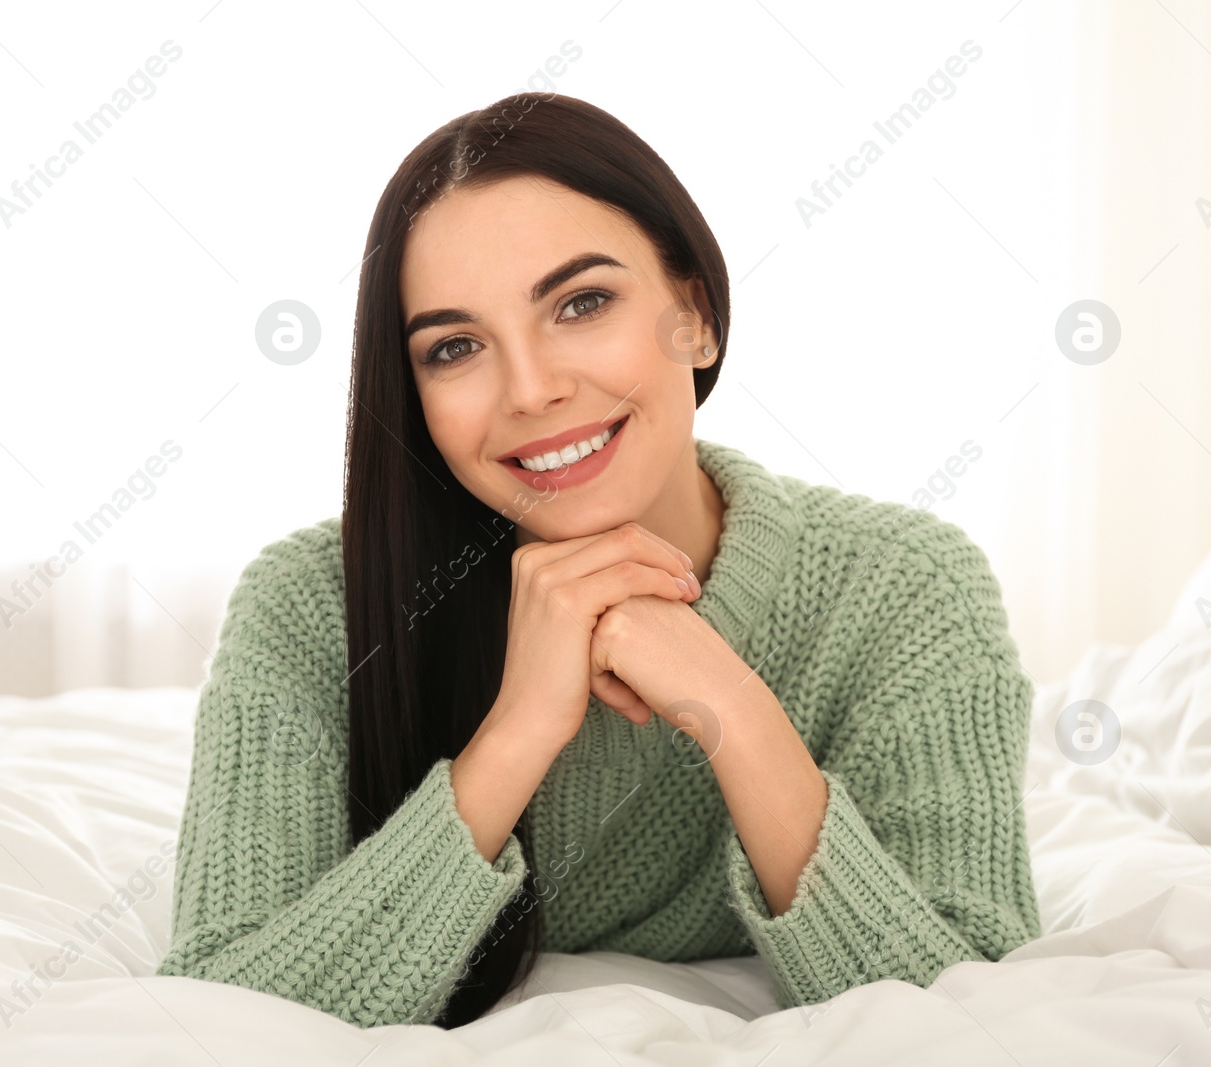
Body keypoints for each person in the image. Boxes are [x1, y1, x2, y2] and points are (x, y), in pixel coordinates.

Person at [158, 92, 1041, 1029]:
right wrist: (518, 730)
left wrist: (732, 707)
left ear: (695, 316)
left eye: (582, 303)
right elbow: (223, 1015)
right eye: (455, 347)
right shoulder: (312, 605)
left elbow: (967, 1008)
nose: (534, 389)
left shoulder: (906, 588)